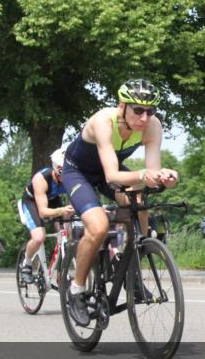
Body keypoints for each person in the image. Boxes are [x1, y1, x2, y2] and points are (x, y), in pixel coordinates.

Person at [63, 79, 179, 326]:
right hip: (79, 172)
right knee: (98, 227)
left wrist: (165, 178)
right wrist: (142, 176)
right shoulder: (104, 121)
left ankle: (133, 260)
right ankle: (76, 289)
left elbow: (152, 174)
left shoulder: (153, 127)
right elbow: (113, 177)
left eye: (150, 111)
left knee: (139, 201)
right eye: (138, 110)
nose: (144, 117)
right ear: (122, 106)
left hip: (110, 168)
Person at [18, 148, 74, 285]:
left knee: (68, 234)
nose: (65, 179)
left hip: (53, 199)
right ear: (56, 170)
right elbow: (43, 212)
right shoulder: (41, 179)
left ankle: (62, 272)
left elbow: (74, 202)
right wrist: (62, 210)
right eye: (62, 175)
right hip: (32, 202)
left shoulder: (70, 177)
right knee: (39, 237)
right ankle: (27, 263)